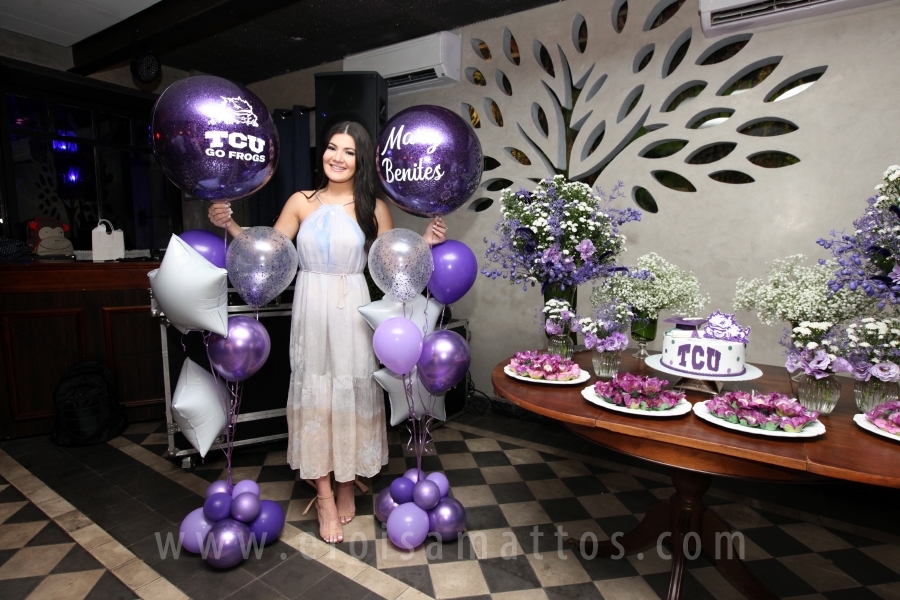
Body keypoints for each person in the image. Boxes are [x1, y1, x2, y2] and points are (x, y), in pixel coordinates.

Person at [209, 121, 446, 543]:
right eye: (332, 148)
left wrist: (425, 240)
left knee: (351, 389)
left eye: (349, 152)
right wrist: (229, 225)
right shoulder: (301, 201)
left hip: (352, 305)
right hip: (311, 303)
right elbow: (269, 255)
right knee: (314, 389)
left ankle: (345, 483)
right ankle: (323, 495)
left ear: (361, 161)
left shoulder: (373, 206)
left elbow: (396, 267)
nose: (337, 157)